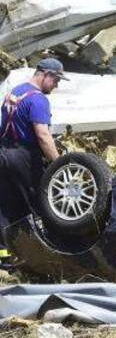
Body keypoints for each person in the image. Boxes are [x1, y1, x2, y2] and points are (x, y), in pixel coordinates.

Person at [0, 58, 64, 231]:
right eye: (56, 80)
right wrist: (59, 164)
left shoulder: (15, 91)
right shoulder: (38, 100)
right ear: (46, 75)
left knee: (7, 205)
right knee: (38, 203)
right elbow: (43, 136)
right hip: (24, 158)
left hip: (3, 153)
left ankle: (6, 253)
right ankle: (45, 245)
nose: (56, 86)